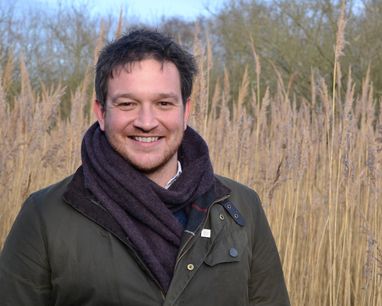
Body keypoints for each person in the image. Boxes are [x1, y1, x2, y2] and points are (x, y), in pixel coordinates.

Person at [0, 29, 290, 306]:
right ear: (101, 113)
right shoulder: (45, 214)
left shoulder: (240, 206)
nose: (147, 121)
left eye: (163, 103)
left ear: (185, 111)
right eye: (127, 104)